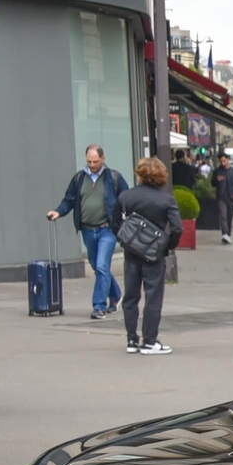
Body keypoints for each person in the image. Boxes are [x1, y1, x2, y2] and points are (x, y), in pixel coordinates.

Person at [45, 144, 128, 319]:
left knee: (101, 265)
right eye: (89, 161)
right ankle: (115, 295)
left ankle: (99, 307)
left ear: (103, 159)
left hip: (107, 229)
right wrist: (58, 212)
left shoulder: (113, 177)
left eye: (95, 161)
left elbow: (126, 197)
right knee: (98, 267)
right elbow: (69, 199)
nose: (92, 165)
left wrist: (127, 217)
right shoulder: (79, 178)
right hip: (88, 230)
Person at [115, 156, 180, 354]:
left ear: (140, 174)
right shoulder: (167, 200)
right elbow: (177, 227)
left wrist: (126, 241)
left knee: (130, 297)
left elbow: (114, 223)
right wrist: (167, 246)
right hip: (154, 256)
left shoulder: (126, 196)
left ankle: (131, 341)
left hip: (131, 254)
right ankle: (150, 341)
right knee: (153, 298)